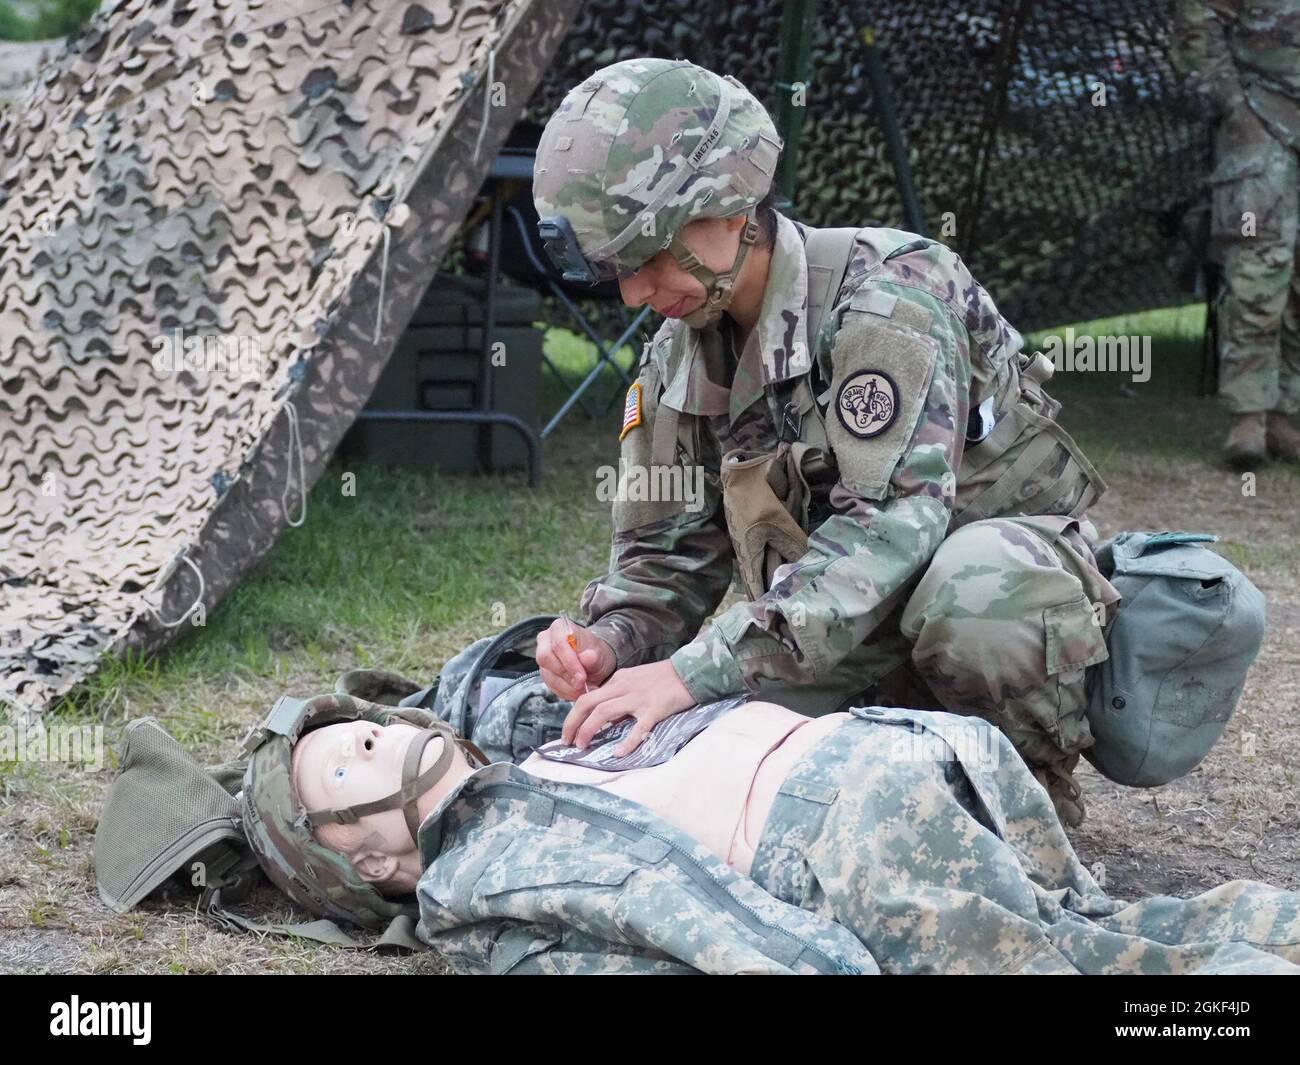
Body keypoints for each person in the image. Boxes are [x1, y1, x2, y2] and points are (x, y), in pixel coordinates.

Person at [529, 57, 1115, 826]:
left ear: (731, 207)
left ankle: (1027, 799)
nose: (635, 293)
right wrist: (608, 641)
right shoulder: (679, 351)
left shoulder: (887, 302)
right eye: (617, 270)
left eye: (650, 257)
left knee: (974, 594)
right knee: (685, 750)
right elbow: (664, 558)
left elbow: (891, 527)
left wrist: (695, 671)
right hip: (831, 634)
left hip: (986, 608)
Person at [283, 698, 1300, 974]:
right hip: (857, 832)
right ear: (369, 859)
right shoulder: (474, 882)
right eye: (348, 759)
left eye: (364, 723)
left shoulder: (522, 750)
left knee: (1087, 937)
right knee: (1096, 945)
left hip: (886, 761)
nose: (374, 732)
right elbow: (661, 909)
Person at [1174, 0, 1300, 467]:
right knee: (1257, 267)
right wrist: (1232, 104)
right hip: (1262, 124)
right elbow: (1197, 19)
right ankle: (1249, 415)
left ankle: (1286, 413)